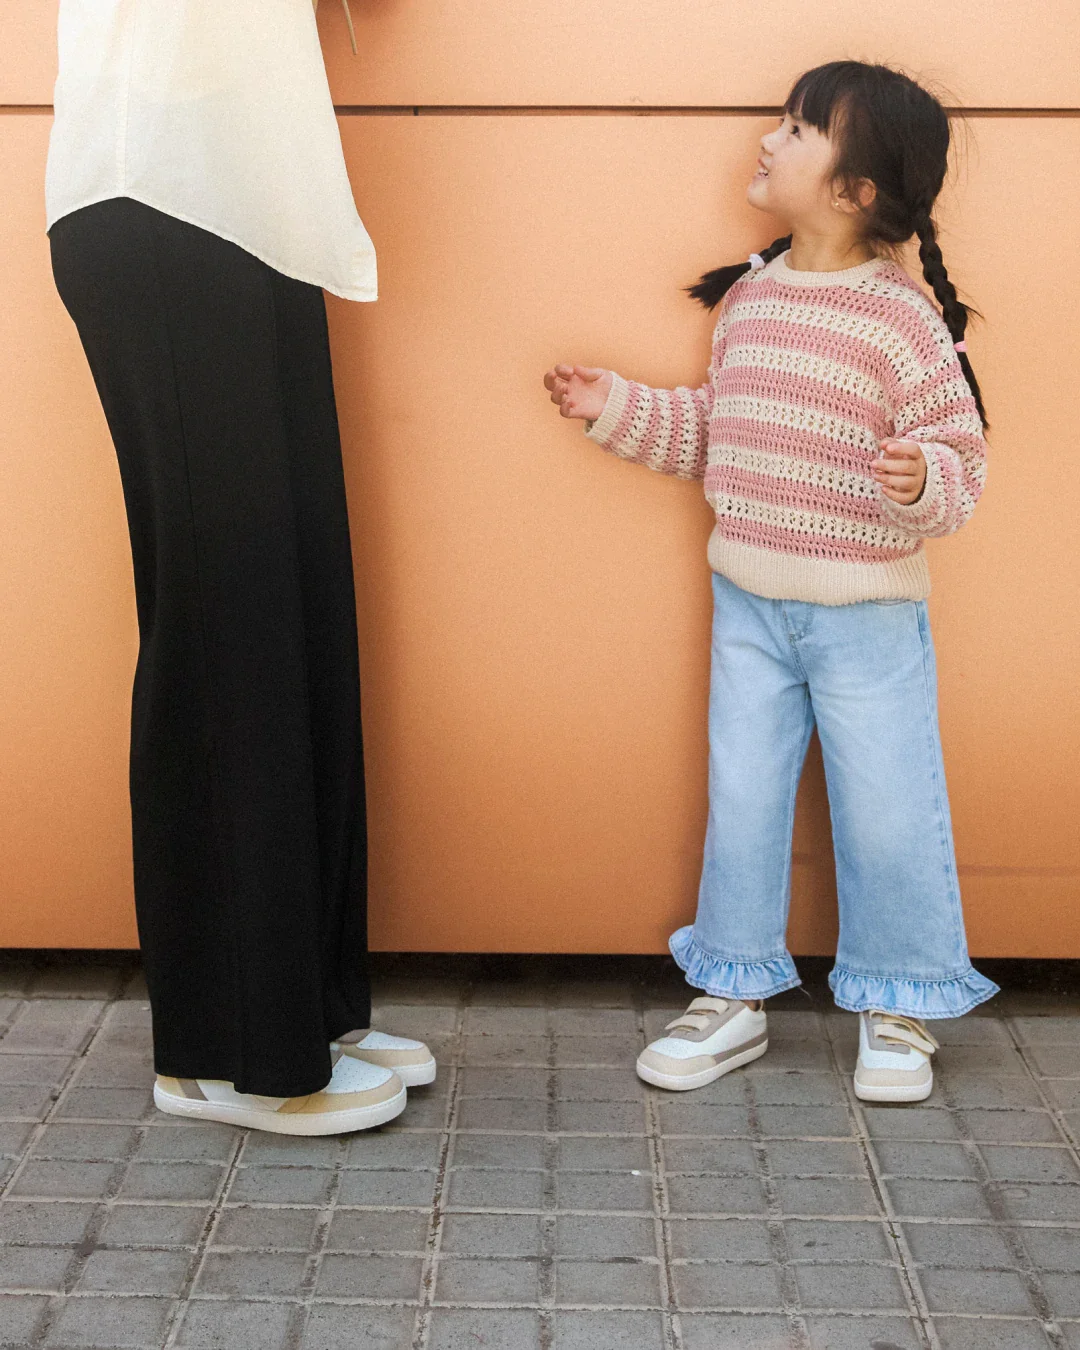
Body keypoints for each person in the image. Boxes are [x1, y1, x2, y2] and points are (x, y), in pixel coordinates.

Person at [544, 61, 998, 1104]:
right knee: (743, 800)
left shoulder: (903, 320)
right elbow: (718, 431)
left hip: (868, 615)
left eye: (797, 130)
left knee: (887, 809)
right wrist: (616, 406)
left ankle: (899, 999)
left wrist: (922, 476)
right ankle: (733, 993)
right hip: (749, 603)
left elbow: (961, 459)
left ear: (856, 189)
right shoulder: (750, 298)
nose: (767, 138)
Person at [46, 0, 434, 1134]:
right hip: (161, 195)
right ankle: (225, 1052)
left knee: (294, 615)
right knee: (230, 632)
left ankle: (306, 1008)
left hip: (250, 206)